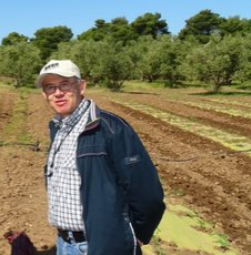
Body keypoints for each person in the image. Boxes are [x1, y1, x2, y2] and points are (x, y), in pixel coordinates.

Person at [36, 60, 165, 255]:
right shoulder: (58, 128)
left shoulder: (109, 128)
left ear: (81, 86)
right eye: (50, 87)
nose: (58, 93)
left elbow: (147, 193)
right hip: (64, 244)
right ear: (44, 94)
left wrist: (134, 235)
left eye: (65, 84)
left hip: (100, 246)